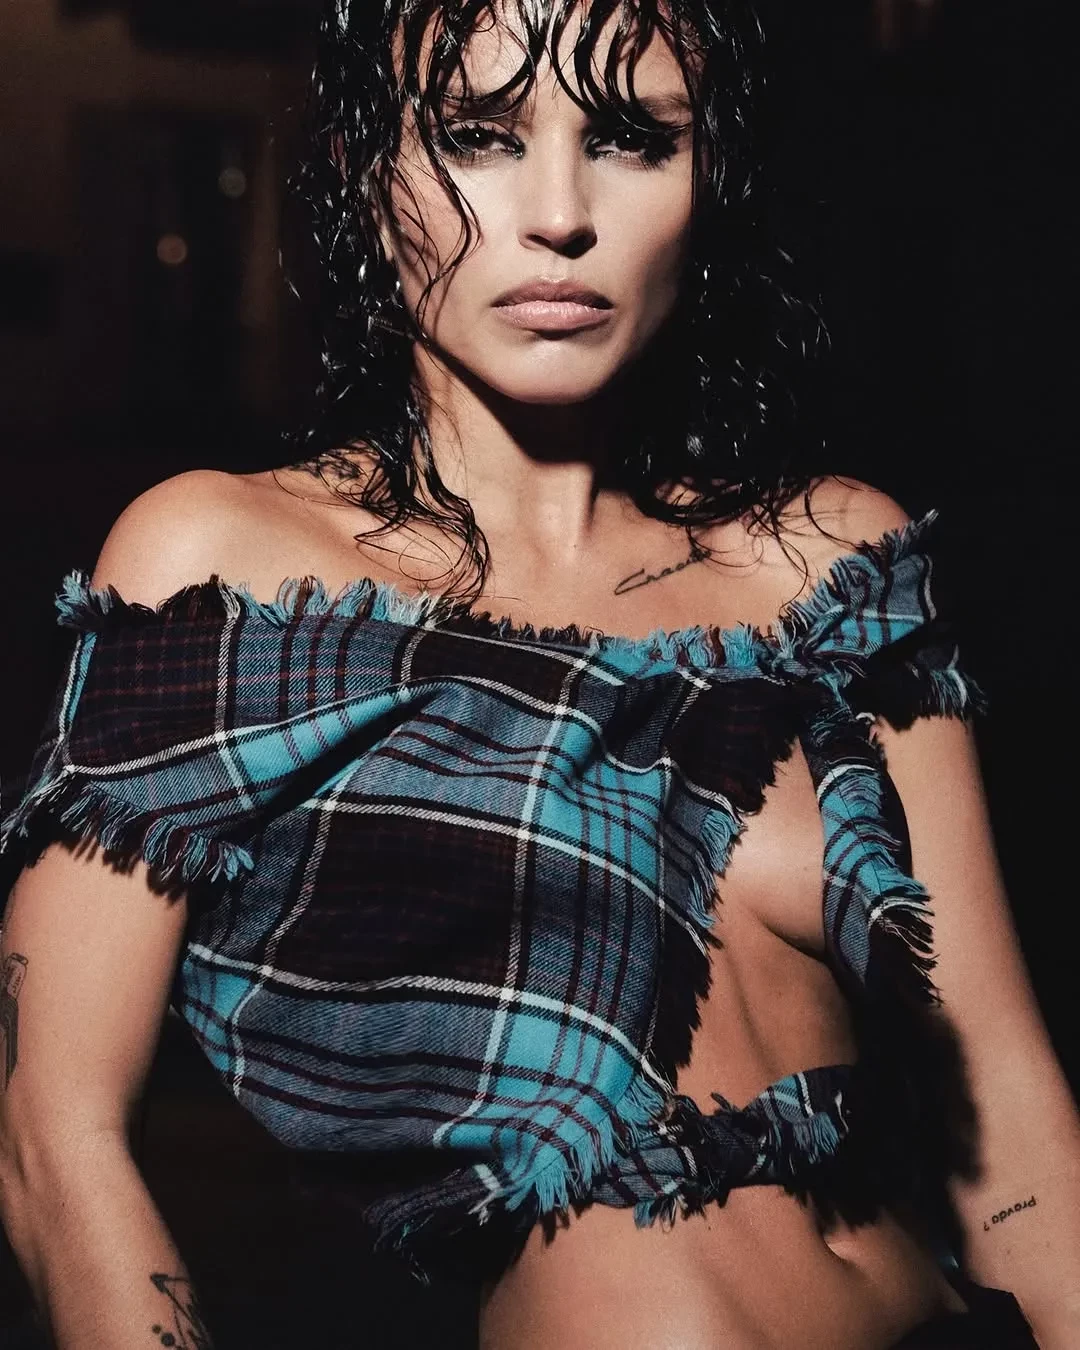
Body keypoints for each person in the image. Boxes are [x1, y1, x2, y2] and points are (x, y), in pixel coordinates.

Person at [1, 1, 1078, 1346]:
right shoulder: (227, 570)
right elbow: (52, 1135)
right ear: (365, 171)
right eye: (479, 135)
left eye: (631, 138)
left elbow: (1010, 1113)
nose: (559, 214)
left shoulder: (834, 565)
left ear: (708, 178)